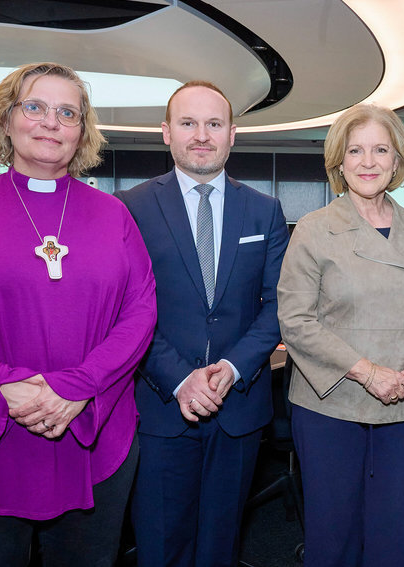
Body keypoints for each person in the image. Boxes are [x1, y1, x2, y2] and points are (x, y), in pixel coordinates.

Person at [0, 62, 157, 567]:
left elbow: (140, 312)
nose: (50, 122)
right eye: (34, 107)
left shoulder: (114, 216)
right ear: (6, 119)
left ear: (83, 131)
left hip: (90, 441)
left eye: (68, 112)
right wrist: (7, 385)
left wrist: (78, 385)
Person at [118, 80, 289, 567]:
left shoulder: (265, 209)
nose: (201, 134)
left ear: (232, 134)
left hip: (237, 407)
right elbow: (125, 309)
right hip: (159, 407)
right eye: (188, 123)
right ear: (165, 133)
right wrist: (179, 378)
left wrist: (232, 369)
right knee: (161, 546)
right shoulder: (129, 208)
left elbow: (278, 305)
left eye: (214, 124)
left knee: (221, 545)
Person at [277, 103, 404, 567]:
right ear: (339, 160)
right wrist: (367, 372)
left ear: (397, 160)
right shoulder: (314, 230)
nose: (368, 162)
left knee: (397, 533)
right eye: (356, 150)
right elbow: (295, 320)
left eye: (380, 150)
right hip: (332, 405)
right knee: (334, 536)